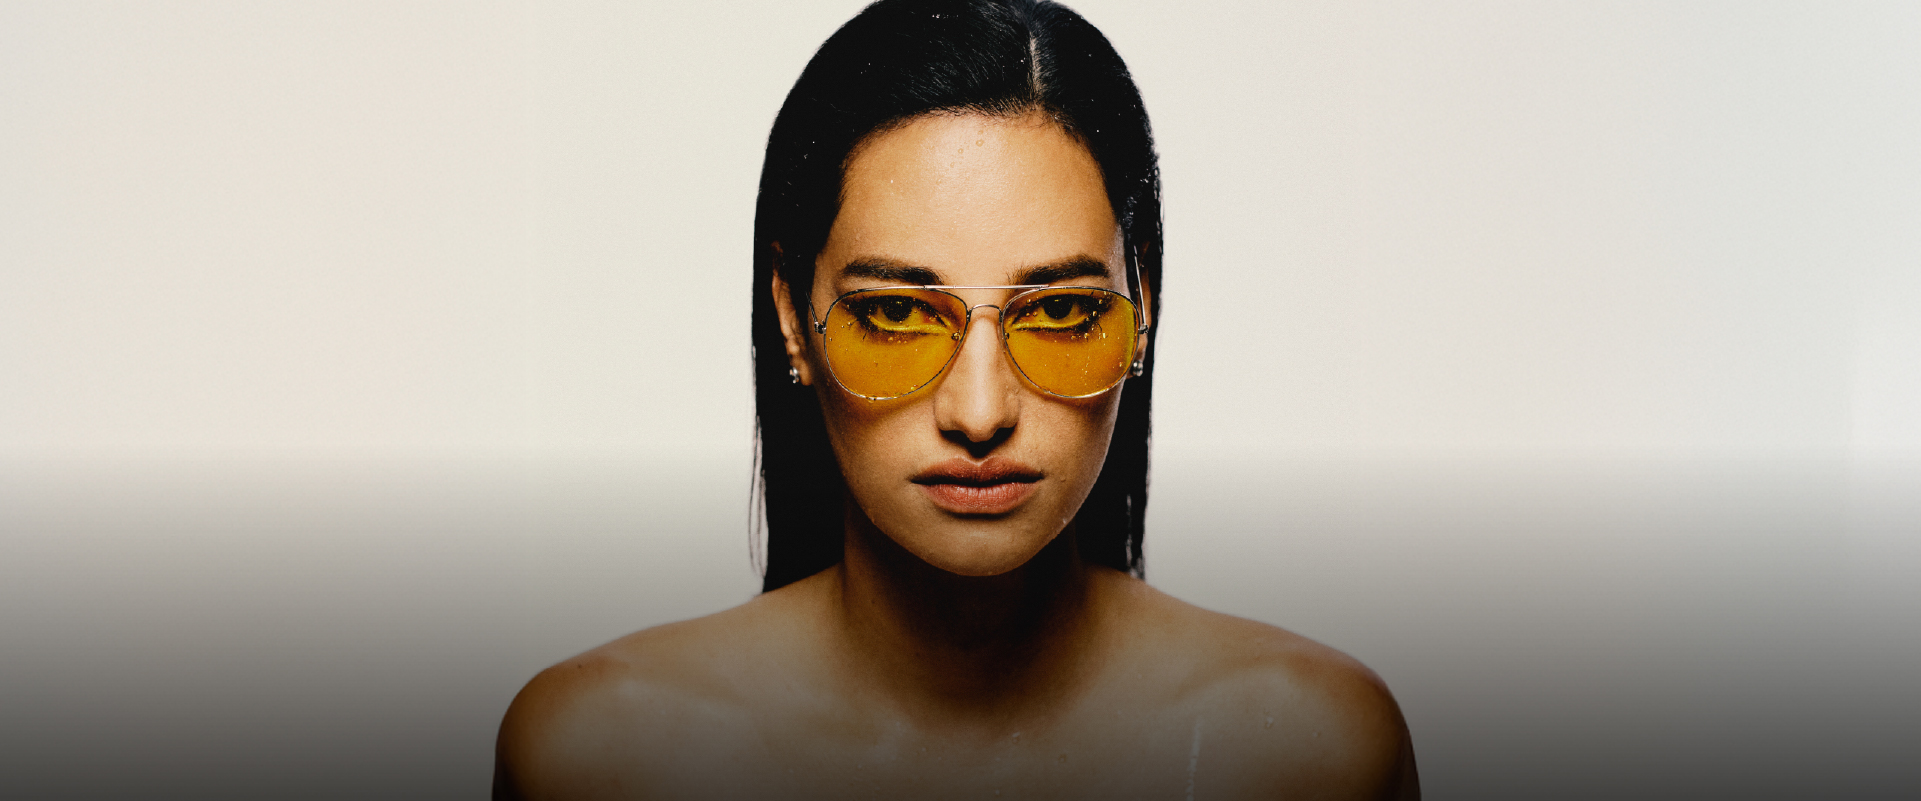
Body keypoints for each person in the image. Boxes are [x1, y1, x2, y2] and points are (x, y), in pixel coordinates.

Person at [494, 1, 1418, 797]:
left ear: (1145, 309)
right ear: (790, 317)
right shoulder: (599, 753)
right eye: (895, 312)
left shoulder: (1314, 751)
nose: (979, 413)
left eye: (1059, 310)